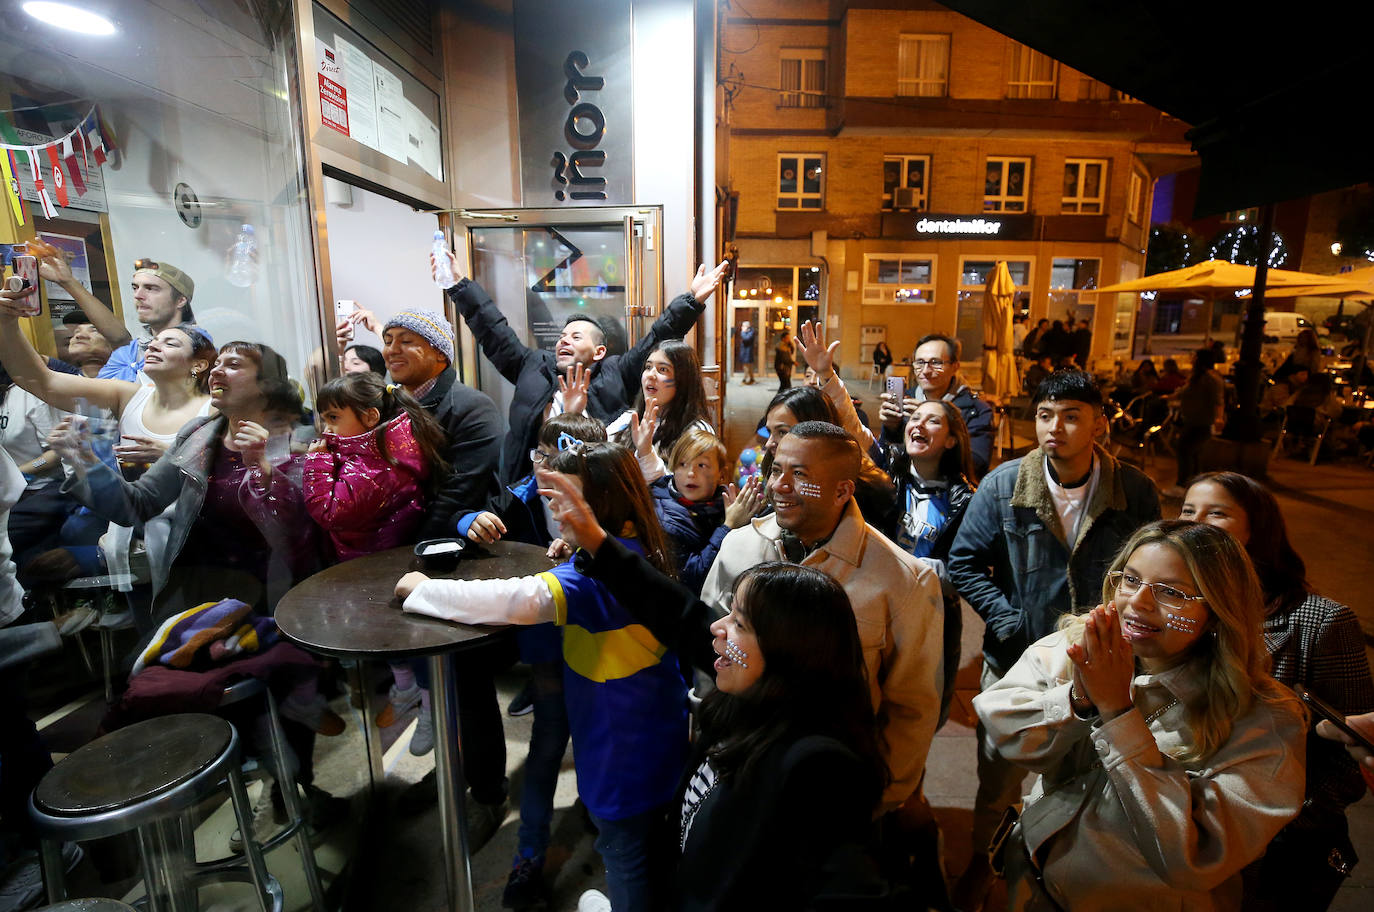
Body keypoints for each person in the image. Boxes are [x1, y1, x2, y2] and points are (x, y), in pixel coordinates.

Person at [531, 471, 889, 910]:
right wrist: (597, 542)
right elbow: (679, 613)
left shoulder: (815, 764)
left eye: (739, 622)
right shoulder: (753, 694)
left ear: (788, 651)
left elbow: (851, 885)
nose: (718, 629)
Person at [396, 442, 688, 912]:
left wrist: (426, 590)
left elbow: (515, 598)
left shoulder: (589, 580)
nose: (552, 506)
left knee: (625, 855)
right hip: (652, 735)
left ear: (599, 507)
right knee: (644, 847)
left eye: (563, 499)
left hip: (621, 753)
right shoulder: (632, 548)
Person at [973, 520, 1307, 912]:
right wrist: (1080, 699)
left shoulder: (1264, 718)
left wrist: (1118, 714)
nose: (1139, 602)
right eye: (1130, 580)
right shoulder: (1082, 644)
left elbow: (1193, 857)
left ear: (1218, 611)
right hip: (1030, 882)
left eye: (1171, 592)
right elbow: (1003, 724)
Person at [946, 369, 1160, 911]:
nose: (1054, 428)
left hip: (1103, 662)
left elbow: (1151, 570)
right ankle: (982, 860)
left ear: (1099, 426)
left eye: (1070, 416)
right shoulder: (1004, 484)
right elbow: (964, 562)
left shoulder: (1133, 490)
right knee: (998, 774)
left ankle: (1065, 873)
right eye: (1045, 415)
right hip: (1018, 662)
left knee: (1088, 773)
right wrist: (1008, 619)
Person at [700, 422, 943, 819]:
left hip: (834, 796)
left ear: (843, 490)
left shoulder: (905, 581)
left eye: (800, 475)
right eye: (776, 469)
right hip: (738, 775)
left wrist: (876, 798)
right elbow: (709, 657)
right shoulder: (739, 548)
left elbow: (912, 710)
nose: (779, 485)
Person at [1179, 473, 1374, 909]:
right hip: (1180, 829)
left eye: (1217, 513)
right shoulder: (1177, 606)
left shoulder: (1322, 622)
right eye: (1188, 510)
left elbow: (1351, 754)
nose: (1196, 523)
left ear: (1256, 530)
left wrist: (1280, 817)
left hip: (1274, 850)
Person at [459, 413, 607, 910]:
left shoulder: (608, 500)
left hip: (601, 646)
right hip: (546, 645)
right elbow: (471, 518)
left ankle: (599, 814)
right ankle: (528, 856)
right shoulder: (521, 496)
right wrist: (468, 521)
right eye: (547, 459)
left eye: (571, 465)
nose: (556, 475)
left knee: (597, 738)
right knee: (547, 746)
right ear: (534, 458)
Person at [374, 307, 511, 840]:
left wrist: (399, 549)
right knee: (436, 685)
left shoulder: (470, 408)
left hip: (456, 561)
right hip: (398, 557)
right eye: (387, 340)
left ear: (439, 353)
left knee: (469, 686)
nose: (392, 350)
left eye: (407, 340)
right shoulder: (386, 404)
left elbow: (459, 491)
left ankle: (488, 792)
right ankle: (452, 773)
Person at [427, 248, 726, 486]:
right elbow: (493, 330)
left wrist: (691, 300)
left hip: (590, 492)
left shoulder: (616, 373)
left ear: (599, 351)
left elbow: (658, 337)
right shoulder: (532, 366)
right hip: (524, 490)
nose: (563, 341)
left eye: (575, 336)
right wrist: (458, 286)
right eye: (561, 337)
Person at [302, 372, 450, 752]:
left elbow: (331, 511)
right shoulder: (376, 447)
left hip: (383, 565)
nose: (326, 427)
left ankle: (430, 710)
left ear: (369, 417)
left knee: (412, 648)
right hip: (372, 563)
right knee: (393, 644)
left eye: (334, 418)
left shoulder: (380, 462)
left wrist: (317, 465)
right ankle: (406, 694)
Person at [756, 385, 895, 527]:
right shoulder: (771, 465)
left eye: (782, 432)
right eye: (769, 431)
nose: (769, 443)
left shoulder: (864, 495)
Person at [651, 430, 764, 595]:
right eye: (682, 464)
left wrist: (745, 523)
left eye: (701, 465)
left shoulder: (723, 501)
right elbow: (692, 579)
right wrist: (729, 526)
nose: (691, 473)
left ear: (722, 474)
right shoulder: (665, 518)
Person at [880, 333, 994, 478]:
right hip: (907, 491)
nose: (926, 371)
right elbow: (885, 460)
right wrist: (891, 428)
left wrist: (931, 420)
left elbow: (977, 465)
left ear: (955, 367)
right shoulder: (906, 400)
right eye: (919, 362)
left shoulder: (976, 410)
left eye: (936, 362)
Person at [606, 339, 713, 480]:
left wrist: (645, 452)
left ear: (683, 380)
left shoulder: (696, 430)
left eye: (663, 369)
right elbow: (599, 452)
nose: (651, 375)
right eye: (648, 367)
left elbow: (686, 486)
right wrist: (575, 414)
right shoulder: (630, 417)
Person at [1166, 349, 1224, 497]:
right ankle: (1194, 485)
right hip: (1192, 420)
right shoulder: (1197, 377)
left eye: (1194, 356)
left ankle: (1182, 485)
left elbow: (1218, 401)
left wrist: (1219, 419)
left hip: (1201, 422)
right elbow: (1184, 393)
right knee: (1192, 453)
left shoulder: (1210, 379)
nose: (1191, 359)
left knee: (1184, 450)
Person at [737, 320, 756, 384]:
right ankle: (752, 379)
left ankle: (744, 379)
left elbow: (746, 339)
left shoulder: (751, 331)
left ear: (747, 326)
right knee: (748, 365)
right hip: (745, 351)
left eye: (743, 326)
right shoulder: (748, 331)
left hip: (748, 352)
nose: (742, 327)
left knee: (746, 365)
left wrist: (743, 332)